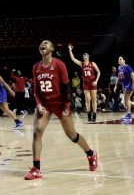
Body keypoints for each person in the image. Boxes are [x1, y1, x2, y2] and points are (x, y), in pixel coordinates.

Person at [25, 40, 97, 180]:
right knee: (37, 131)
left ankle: (90, 153)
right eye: (41, 43)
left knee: (72, 135)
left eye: (46, 43)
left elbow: (66, 87)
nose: (42, 44)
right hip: (45, 104)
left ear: (51, 48)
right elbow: (36, 89)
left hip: (60, 103)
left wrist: (66, 106)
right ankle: (36, 169)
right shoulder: (36, 67)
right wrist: (39, 104)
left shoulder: (59, 64)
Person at [68, 44, 101, 122]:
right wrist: (70, 50)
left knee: (94, 99)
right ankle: (89, 113)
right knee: (87, 99)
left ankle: (94, 114)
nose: (84, 56)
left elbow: (99, 72)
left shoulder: (92, 63)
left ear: (88, 57)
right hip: (85, 83)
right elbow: (73, 59)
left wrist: (96, 81)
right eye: (83, 55)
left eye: (86, 55)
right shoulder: (81, 64)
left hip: (92, 83)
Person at [113, 56, 134, 122]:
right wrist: (116, 86)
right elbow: (119, 77)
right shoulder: (119, 68)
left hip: (129, 85)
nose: (119, 60)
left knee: (126, 100)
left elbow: (133, 76)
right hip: (124, 85)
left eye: (120, 59)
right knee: (126, 101)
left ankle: (128, 116)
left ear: (124, 61)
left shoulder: (128, 67)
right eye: (118, 59)